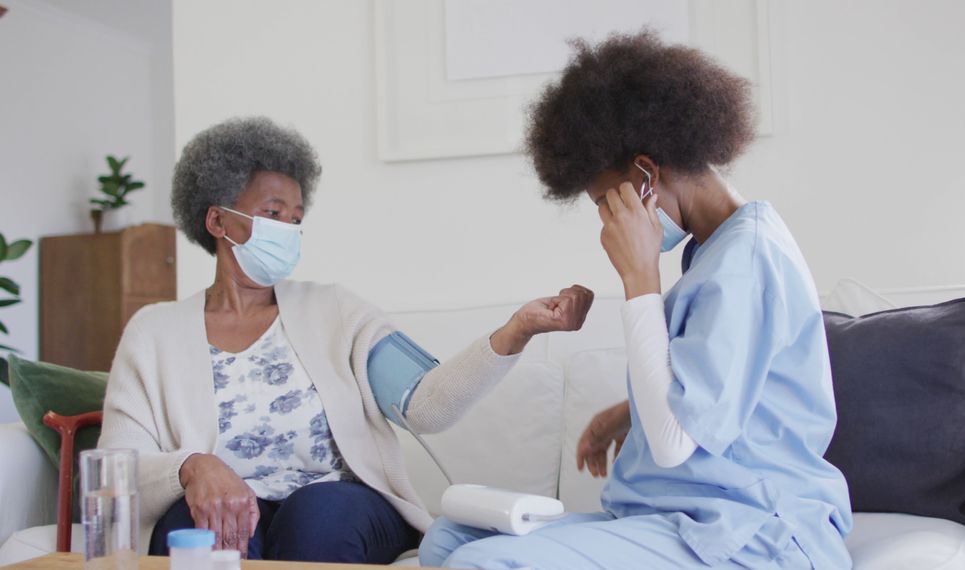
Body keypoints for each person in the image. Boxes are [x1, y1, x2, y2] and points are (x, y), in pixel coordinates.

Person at [419, 31, 853, 569]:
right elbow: (731, 387)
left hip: (752, 530)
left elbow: (675, 443)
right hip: (680, 519)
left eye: (605, 200)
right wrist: (628, 414)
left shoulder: (748, 259)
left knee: (480, 563)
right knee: (450, 540)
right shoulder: (713, 252)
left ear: (646, 173)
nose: (604, 218)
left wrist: (639, 274)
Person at [98, 116, 594, 563]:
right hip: (223, 508)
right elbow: (119, 466)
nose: (289, 230)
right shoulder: (153, 332)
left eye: (295, 219)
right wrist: (191, 466)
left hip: (337, 503)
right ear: (218, 220)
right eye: (273, 213)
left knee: (318, 514)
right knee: (193, 527)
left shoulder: (335, 310)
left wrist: (517, 330)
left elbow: (427, 405)